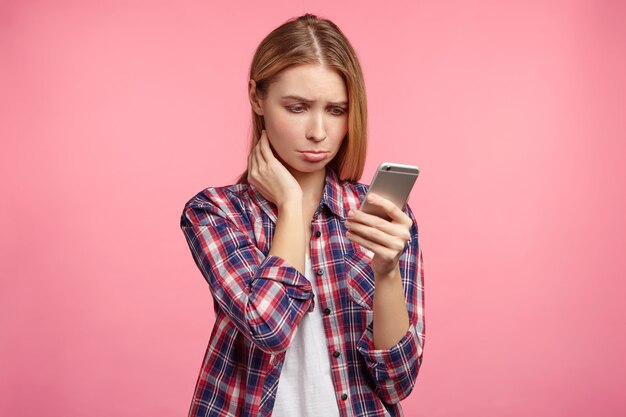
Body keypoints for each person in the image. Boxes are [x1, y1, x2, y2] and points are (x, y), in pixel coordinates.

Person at [180, 13, 425, 417]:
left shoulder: (383, 216)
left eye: (335, 110)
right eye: (297, 107)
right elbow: (270, 327)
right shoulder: (216, 213)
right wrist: (292, 208)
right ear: (257, 98)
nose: (317, 131)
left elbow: (397, 382)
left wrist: (386, 272)